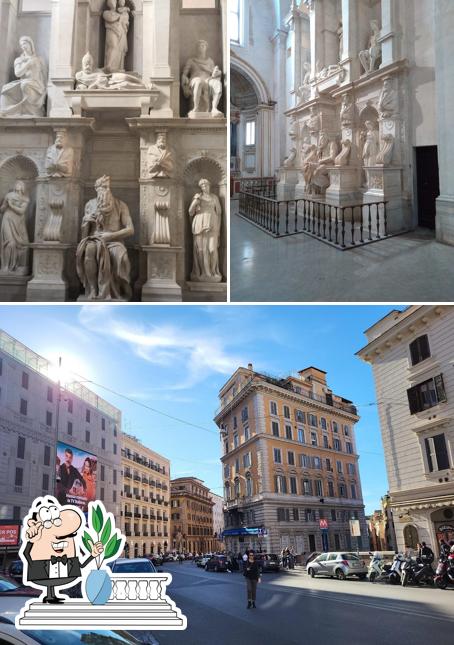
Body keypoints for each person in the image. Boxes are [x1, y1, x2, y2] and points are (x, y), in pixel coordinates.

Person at [76, 175, 134, 300]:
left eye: (107, 187)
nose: (105, 189)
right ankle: (93, 289)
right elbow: (84, 236)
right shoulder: (90, 205)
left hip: (114, 240)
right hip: (94, 239)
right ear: (96, 188)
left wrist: (111, 235)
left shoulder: (120, 205)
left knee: (122, 258)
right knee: (89, 251)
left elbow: (130, 229)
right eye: (102, 187)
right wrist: (85, 222)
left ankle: (119, 288)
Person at [0, 36, 46, 117]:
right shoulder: (19, 60)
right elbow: (18, 74)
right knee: (5, 89)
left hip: (36, 84)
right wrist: (27, 64)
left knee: (25, 85)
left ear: (30, 44)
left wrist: (44, 88)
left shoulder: (39, 59)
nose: (23, 46)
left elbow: (43, 76)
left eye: (25, 43)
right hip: (24, 82)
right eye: (21, 45)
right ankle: (13, 111)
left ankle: (32, 111)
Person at [189, 178, 222, 282]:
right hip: (200, 223)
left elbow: (219, 213)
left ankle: (213, 272)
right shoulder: (197, 197)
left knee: (212, 249)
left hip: (212, 223)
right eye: (203, 185)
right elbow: (190, 212)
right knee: (201, 250)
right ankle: (203, 272)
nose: (205, 187)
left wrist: (219, 229)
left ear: (209, 185)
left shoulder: (214, 197)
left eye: (206, 185)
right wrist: (195, 201)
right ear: (201, 187)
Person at [0, 180, 30, 274]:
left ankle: (18, 266)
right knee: (10, 243)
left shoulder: (25, 198)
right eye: (16, 184)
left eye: (20, 184)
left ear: (23, 187)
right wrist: (5, 204)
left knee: (22, 244)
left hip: (18, 222)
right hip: (7, 219)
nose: (18, 185)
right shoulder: (9, 195)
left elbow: (21, 211)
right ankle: (5, 266)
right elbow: (2, 209)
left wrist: (11, 205)